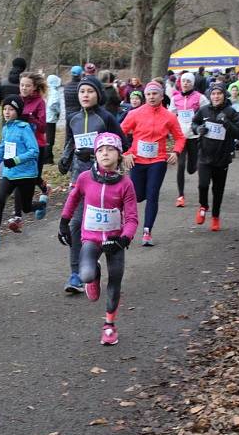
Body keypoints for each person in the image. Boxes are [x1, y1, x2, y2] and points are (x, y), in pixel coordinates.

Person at [58, 133, 138, 345]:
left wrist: (123, 239)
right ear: (95, 154)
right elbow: (73, 198)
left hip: (115, 241)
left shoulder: (125, 184)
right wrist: (64, 222)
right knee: (85, 275)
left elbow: (131, 218)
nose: (105, 153)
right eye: (100, 150)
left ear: (119, 155)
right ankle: (94, 274)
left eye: (110, 149)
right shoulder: (85, 178)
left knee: (116, 279)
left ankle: (109, 326)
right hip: (91, 238)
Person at [58, 75, 126, 292]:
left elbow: (123, 143)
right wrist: (65, 158)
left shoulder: (106, 118)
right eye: (81, 92)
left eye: (89, 91)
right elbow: (70, 141)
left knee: (100, 228)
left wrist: (99, 154)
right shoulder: (73, 118)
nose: (85, 95)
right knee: (76, 225)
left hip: (105, 181)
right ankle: (76, 274)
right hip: (80, 178)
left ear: (98, 94)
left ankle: (95, 265)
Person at [120, 81, 185, 246]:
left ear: (162, 96)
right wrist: (126, 153)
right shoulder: (135, 113)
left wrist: (176, 152)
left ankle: (147, 231)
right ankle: (123, 223)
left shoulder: (169, 116)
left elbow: (180, 137)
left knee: (153, 195)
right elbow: (120, 133)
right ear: (144, 96)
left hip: (158, 161)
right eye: (148, 94)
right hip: (137, 160)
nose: (151, 97)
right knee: (138, 195)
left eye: (155, 93)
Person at [0, 95, 47, 250]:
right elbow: (2, 148)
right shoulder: (6, 129)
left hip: (26, 175)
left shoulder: (25, 129)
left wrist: (16, 160)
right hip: (9, 174)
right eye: (4, 109)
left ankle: (41, 205)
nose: (6, 112)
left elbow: (34, 151)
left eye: (10, 109)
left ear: (18, 111)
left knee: (26, 208)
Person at [190, 83, 239, 231]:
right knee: (203, 185)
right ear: (210, 96)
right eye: (213, 94)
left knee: (218, 190)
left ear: (224, 95)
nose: (216, 96)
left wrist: (226, 122)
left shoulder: (231, 112)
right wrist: (198, 129)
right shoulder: (203, 110)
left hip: (222, 157)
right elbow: (194, 123)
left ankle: (215, 216)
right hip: (204, 155)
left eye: (219, 93)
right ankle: (203, 205)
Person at [169, 72, 209, 208]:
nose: (185, 83)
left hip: (194, 136)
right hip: (180, 136)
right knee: (180, 166)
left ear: (193, 83)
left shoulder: (200, 97)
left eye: (188, 81)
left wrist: (201, 124)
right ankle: (180, 196)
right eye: (183, 81)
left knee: (191, 168)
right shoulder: (175, 99)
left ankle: (194, 167)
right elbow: (170, 115)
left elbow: (208, 112)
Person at [18, 71, 50, 205]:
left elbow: (43, 127)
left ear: (35, 87)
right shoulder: (17, 100)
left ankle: (44, 188)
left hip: (37, 144)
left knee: (34, 175)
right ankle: (21, 206)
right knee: (19, 174)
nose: (24, 88)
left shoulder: (40, 102)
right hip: (21, 144)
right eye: (22, 85)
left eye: (27, 86)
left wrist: (30, 118)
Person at [45, 74, 62, 164]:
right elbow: (53, 104)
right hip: (51, 118)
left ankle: (47, 156)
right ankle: (48, 158)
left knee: (47, 138)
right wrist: (58, 111)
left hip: (47, 117)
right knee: (50, 138)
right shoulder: (54, 92)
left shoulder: (48, 91)